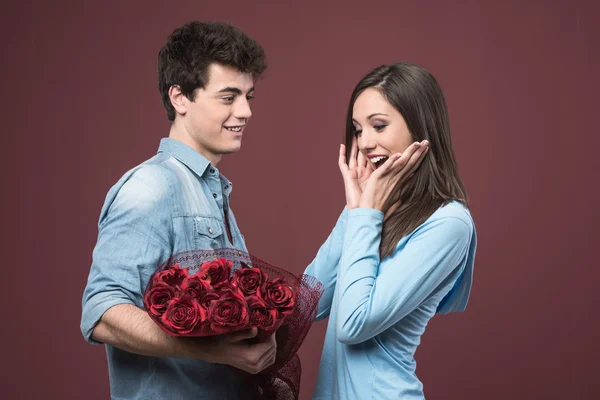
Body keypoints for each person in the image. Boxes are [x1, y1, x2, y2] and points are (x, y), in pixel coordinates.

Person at [80, 21, 277, 399]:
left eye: (249, 96)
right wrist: (209, 350)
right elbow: (102, 312)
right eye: (229, 96)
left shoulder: (213, 192)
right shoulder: (150, 187)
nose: (246, 110)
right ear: (180, 97)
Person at [305, 62, 477, 399]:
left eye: (379, 126)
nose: (365, 142)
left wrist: (366, 212)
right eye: (357, 130)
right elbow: (308, 305)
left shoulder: (449, 223)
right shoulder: (368, 212)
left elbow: (353, 325)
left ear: (420, 127)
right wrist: (355, 209)